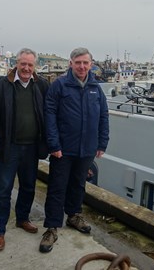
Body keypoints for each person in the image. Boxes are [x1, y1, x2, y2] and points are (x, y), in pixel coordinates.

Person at [39, 47, 109, 253]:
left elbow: (104, 116)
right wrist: (54, 144)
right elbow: (49, 115)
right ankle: (51, 227)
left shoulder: (96, 87)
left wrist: (102, 143)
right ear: (71, 63)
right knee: (57, 187)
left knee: (78, 184)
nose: (82, 66)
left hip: (87, 148)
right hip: (63, 149)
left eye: (85, 63)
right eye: (78, 62)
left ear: (91, 64)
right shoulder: (60, 85)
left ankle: (73, 215)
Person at [0, 48, 49, 252]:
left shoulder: (42, 85)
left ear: (34, 66)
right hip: (9, 148)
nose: (26, 68)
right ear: (16, 63)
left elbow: (48, 113)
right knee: (3, 189)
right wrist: (1, 140)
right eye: (23, 64)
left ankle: (22, 219)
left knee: (28, 186)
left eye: (30, 65)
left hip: (31, 147)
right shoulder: (2, 85)